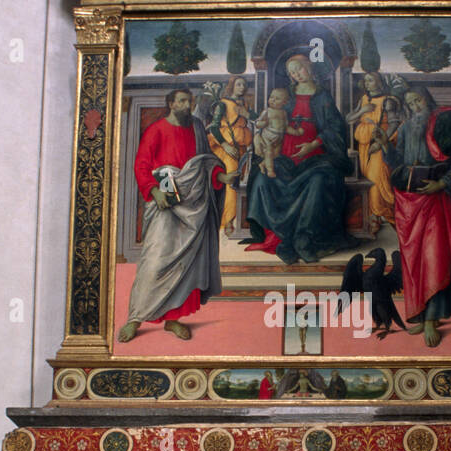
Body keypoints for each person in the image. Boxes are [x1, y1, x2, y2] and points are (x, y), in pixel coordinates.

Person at [120, 88, 236, 342]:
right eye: (182, 101)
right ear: (171, 103)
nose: (187, 105)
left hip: (193, 200)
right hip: (165, 191)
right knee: (155, 259)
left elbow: (204, 164)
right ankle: (135, 318)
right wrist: (153, 190)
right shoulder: (156, 130)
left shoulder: (195, 127)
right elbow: (142, 164)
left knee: (185, 265)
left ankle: (172, 320)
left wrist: (221, 176)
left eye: (189, 101)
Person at [389, 87, 451, 347]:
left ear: (428, 99)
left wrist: (443, 183)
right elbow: (398, 163)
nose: (414, 106)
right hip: (414, 200)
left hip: (446, 197)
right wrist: (383, 148)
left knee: (439, 257)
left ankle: (444, 316)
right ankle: (423, 315)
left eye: (417, 99)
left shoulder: (445, 120)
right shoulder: (407, 127)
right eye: (410, 103)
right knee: (417, 260)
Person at [243, 54, 355, 264]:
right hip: (284, 152)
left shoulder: (323, 97)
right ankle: (273, 234)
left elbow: (335, 127)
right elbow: (270, 118)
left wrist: (314, 143)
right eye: (292, 72)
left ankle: (305, 238)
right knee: (262, 177)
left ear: (309, 68)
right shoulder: (287, 95)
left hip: (317, 155)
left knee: (318, 182)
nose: (296, 74)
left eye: (299, 69)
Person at [346, 71, 399, 226]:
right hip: (363, 145)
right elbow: (349, 119)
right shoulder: (364, 99)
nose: (367, 83)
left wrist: (380, 143)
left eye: (371, 80)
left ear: (379, 82)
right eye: (366, 80)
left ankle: (382, 213)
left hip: (379, 144)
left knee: (377, 177)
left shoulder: (388, 101)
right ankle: (373, 217)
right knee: (367, 178)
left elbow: (394, 123)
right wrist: (362, 111)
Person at [206, 75, 253, 231]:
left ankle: (240, 220)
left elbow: (257, 119)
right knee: (232, 182)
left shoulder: (245, 104)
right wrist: (225, 145)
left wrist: (247, 115)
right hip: (228, 148)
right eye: (239, 84)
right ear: (232, 86)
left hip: (242, 149)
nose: (242, 88)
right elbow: (213, 127)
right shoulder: (223, 104)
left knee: (243, 182)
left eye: (244, 85)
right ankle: (228, 221)